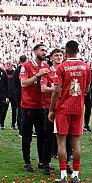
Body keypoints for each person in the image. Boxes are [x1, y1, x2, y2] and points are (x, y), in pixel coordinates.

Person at [48, 40, 91, 183]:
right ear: (78, 50)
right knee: (76, 142)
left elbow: (56, 90)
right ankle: (76, 175)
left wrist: (51, 109)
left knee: (61, 142)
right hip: (78, 108)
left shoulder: (62, 67)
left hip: (63, 108)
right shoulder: (86, 67)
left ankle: (63, 175)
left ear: (66, 51)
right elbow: (87, 89)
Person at [19, 44, 53, 174]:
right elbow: (23, 83)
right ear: (35, 51)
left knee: (42, 135)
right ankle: (27, 162)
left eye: (45, 50)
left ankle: (42, 161)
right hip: (28, 105)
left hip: (42, 106)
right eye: (42, 50)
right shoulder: (26, 66)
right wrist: (38, 75)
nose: (45, 52)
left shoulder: (46, 66)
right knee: (27, 135)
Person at [7, 59, 23, 130]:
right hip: (7, 94)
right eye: (7, 64)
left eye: (9, 64)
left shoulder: (15, 72)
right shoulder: (4, 72)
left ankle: (14, 124)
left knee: (14, 110)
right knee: (4, 109)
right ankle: (1, 123)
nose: (8, 65)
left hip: (14, 94)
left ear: (12, 64)